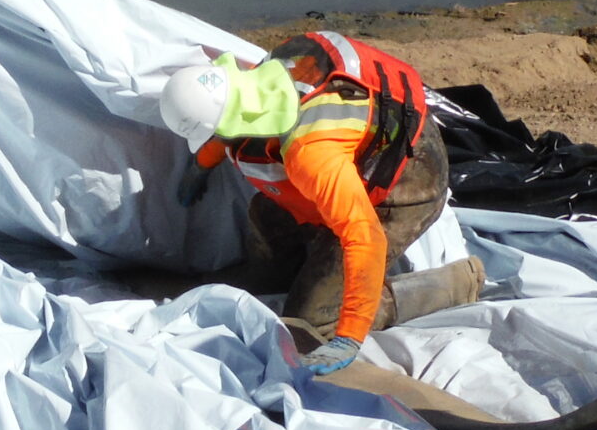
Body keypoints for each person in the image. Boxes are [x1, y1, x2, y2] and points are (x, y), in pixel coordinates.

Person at [158, 31, 483, 372]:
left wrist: (351, 335)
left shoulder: (311, 153)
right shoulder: (260, 81)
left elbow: (364, 237)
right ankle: (279, 278)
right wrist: (201, 165)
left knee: (310, 321)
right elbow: (226, 125)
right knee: (265, 213)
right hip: (363, 149)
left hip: (408, 179)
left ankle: (459, 282)